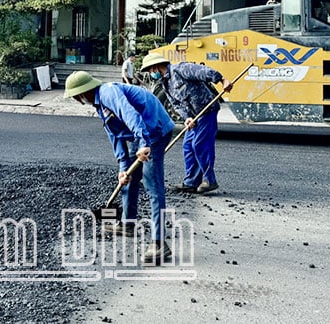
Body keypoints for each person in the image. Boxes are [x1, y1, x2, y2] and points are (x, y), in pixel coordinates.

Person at [63, 70, 175, 265]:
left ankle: (159, 243)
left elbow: (129, 114)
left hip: (155, 130)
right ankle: (127, 223)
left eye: (75, 97)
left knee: (152, 185)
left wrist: (143, 144)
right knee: (128, 181)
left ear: (81, 94)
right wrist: (123, 168)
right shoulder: (99, 105)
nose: (76, 100)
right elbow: (115, 136)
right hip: (139, 134)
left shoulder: (108, 93)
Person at [142, 54, 232, 195]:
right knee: (188, 146)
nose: (150, 74)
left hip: (206, 110)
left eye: (150, 71)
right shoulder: (166, 84)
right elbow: (176, 104)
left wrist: (222, 80)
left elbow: (203, 72)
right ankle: (191, 182)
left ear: (155, 67)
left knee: (200, 145)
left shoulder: (180, 69)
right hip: (194, 117)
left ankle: (210, 180)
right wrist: (187, 118)